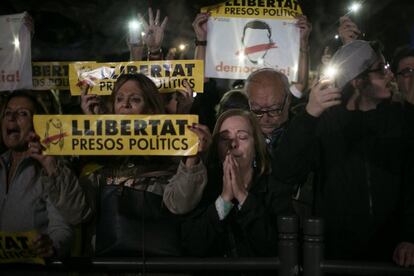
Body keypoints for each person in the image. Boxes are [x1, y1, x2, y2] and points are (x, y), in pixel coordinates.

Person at [273, 40, 414, 264]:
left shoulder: (400, 120)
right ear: (358, 81)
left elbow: (411, 184)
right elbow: (285, 170)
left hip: (392, 256)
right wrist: (309, 116)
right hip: (336, 258)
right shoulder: (324, 123)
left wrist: (409, 237)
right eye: (380, 70)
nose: (389, 76)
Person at [80, 73, 209, 256]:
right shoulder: (97, 161)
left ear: (150, 109)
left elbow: (180, 204)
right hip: (107, 264)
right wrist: (93, 127)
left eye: (135, 99)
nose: (125, 105)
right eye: (119, 99)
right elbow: (77, 212)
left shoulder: (170, 158)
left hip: (157, 265)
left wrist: (191, 155)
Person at [182, 109, 292, 259]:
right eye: (224, 138)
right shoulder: (204, 185)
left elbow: (278, 249)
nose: (233, 144)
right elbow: (193, 246)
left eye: (242, 137)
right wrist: (224, 200)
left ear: (256, 146)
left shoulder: (275, 188)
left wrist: (243, 197)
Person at [0, 91, 89, 257]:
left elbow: (64, 229)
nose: (11, 118)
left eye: (22, 114)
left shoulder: (49, 168)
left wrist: (51, 246)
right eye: (7, 113)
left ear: (37, 124)